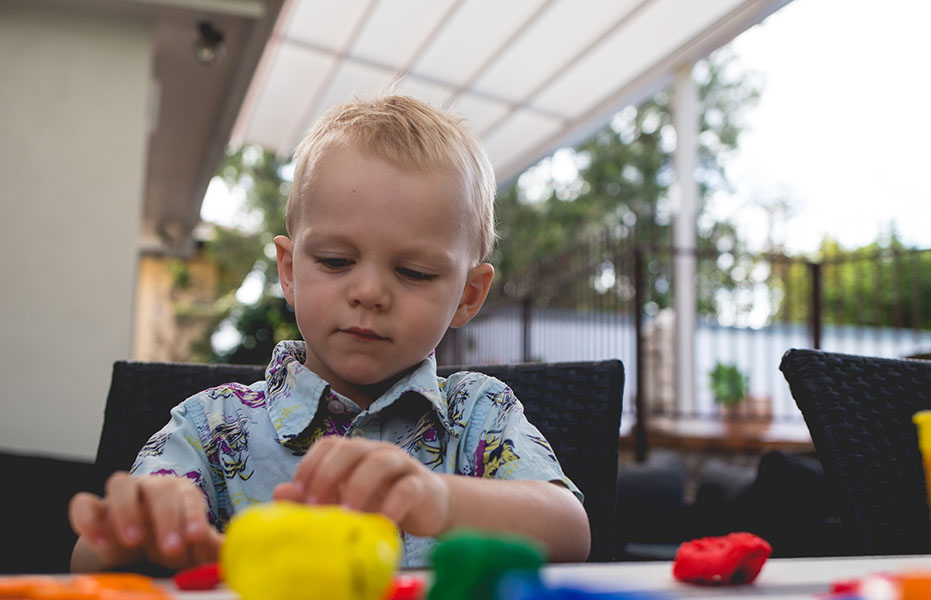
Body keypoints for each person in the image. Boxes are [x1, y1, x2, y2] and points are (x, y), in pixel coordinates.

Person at [68, 95, 591, 572]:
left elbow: (571, 532)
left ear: (468, 295)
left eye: (413, 272)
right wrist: (133, 532)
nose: (369, 292)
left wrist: (443, 500)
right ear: (290, 270)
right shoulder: (210, 427)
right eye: (337, 260)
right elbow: (86, 564)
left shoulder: (480, 414)